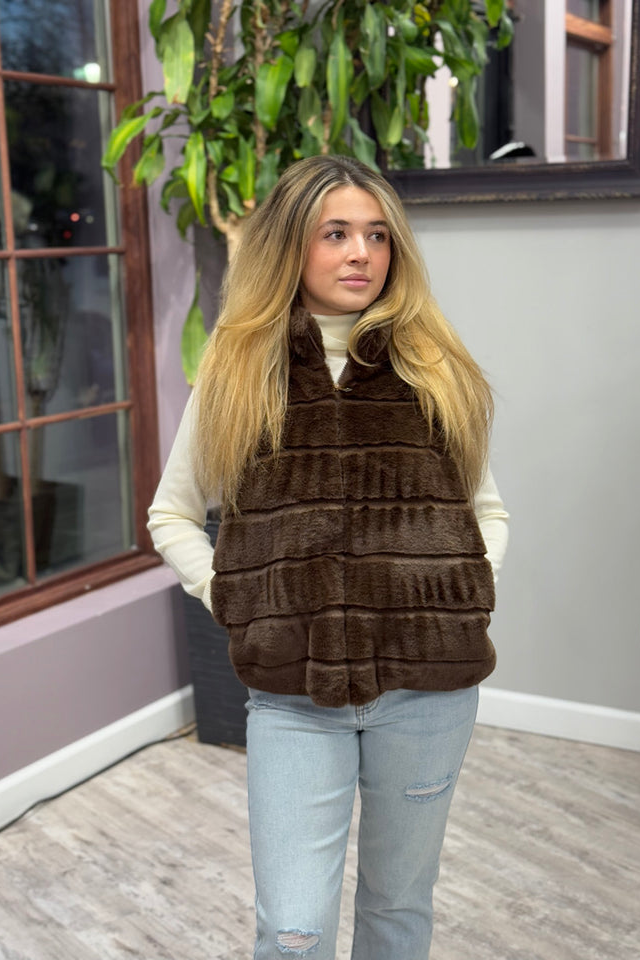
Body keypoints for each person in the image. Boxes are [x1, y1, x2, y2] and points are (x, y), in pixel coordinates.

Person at [148, 155, 509, 960]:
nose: (361, 254)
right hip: (292, 700)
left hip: (427, 696)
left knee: (397, 905)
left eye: (378, 235)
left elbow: (485, 512)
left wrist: (459, 594)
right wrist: (233, 597)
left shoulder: (435, 370)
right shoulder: (240, 373)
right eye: (336, 234)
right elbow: (171, 513)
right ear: (289, 247)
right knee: (292, 928)